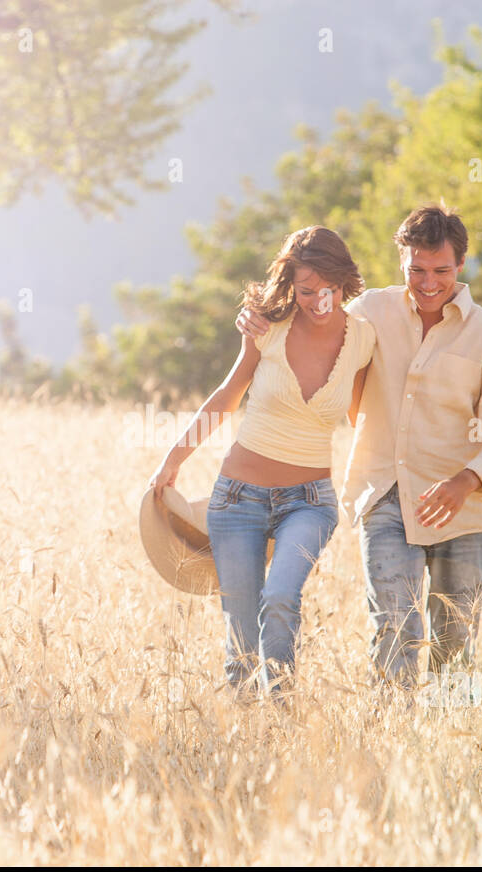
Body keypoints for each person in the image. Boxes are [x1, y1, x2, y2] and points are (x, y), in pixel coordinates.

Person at [238, 203, 482, 706]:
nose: (428, 282)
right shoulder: (371, 310)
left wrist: (464, 482)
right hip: (384, 495)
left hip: (466, 511)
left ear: (460, 265)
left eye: (440, 270)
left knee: (455, 642)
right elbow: (315, 319)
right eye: (416, 270)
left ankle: (449, 745)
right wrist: (261, 315)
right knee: (394, 624)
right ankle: (389, 735)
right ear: (402, 262)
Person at [148, 226, 375, 701]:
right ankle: (253, 732)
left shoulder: (363, 340)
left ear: (344, 283)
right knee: (242, 635)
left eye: (328, 291)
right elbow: (226, 397)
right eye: (306, 291)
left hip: (309, 502)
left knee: (280, 597)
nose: (317, 302)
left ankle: (284, 706)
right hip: (238, 500)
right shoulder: (266, 329)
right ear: (291, 285)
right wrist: (174, 458)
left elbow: (364, 414)